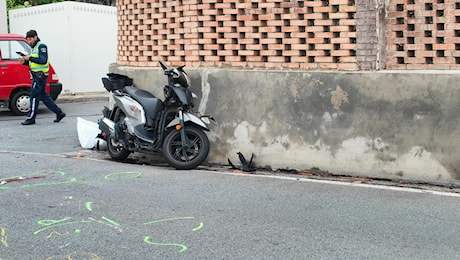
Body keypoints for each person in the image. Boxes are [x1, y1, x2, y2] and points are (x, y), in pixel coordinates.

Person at [19, 29, 65, 125]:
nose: (29, 41)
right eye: (28, 39)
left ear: (35, 37)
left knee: (34, 97)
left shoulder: (41, 46)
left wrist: (29, 58)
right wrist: (25, 62)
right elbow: (34, 63)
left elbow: (43, 60)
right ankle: (59, 113)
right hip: (37, 75)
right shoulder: (33, 48)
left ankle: (31, 118)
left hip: (40, 76)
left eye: (30, 39)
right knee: (44, 97)